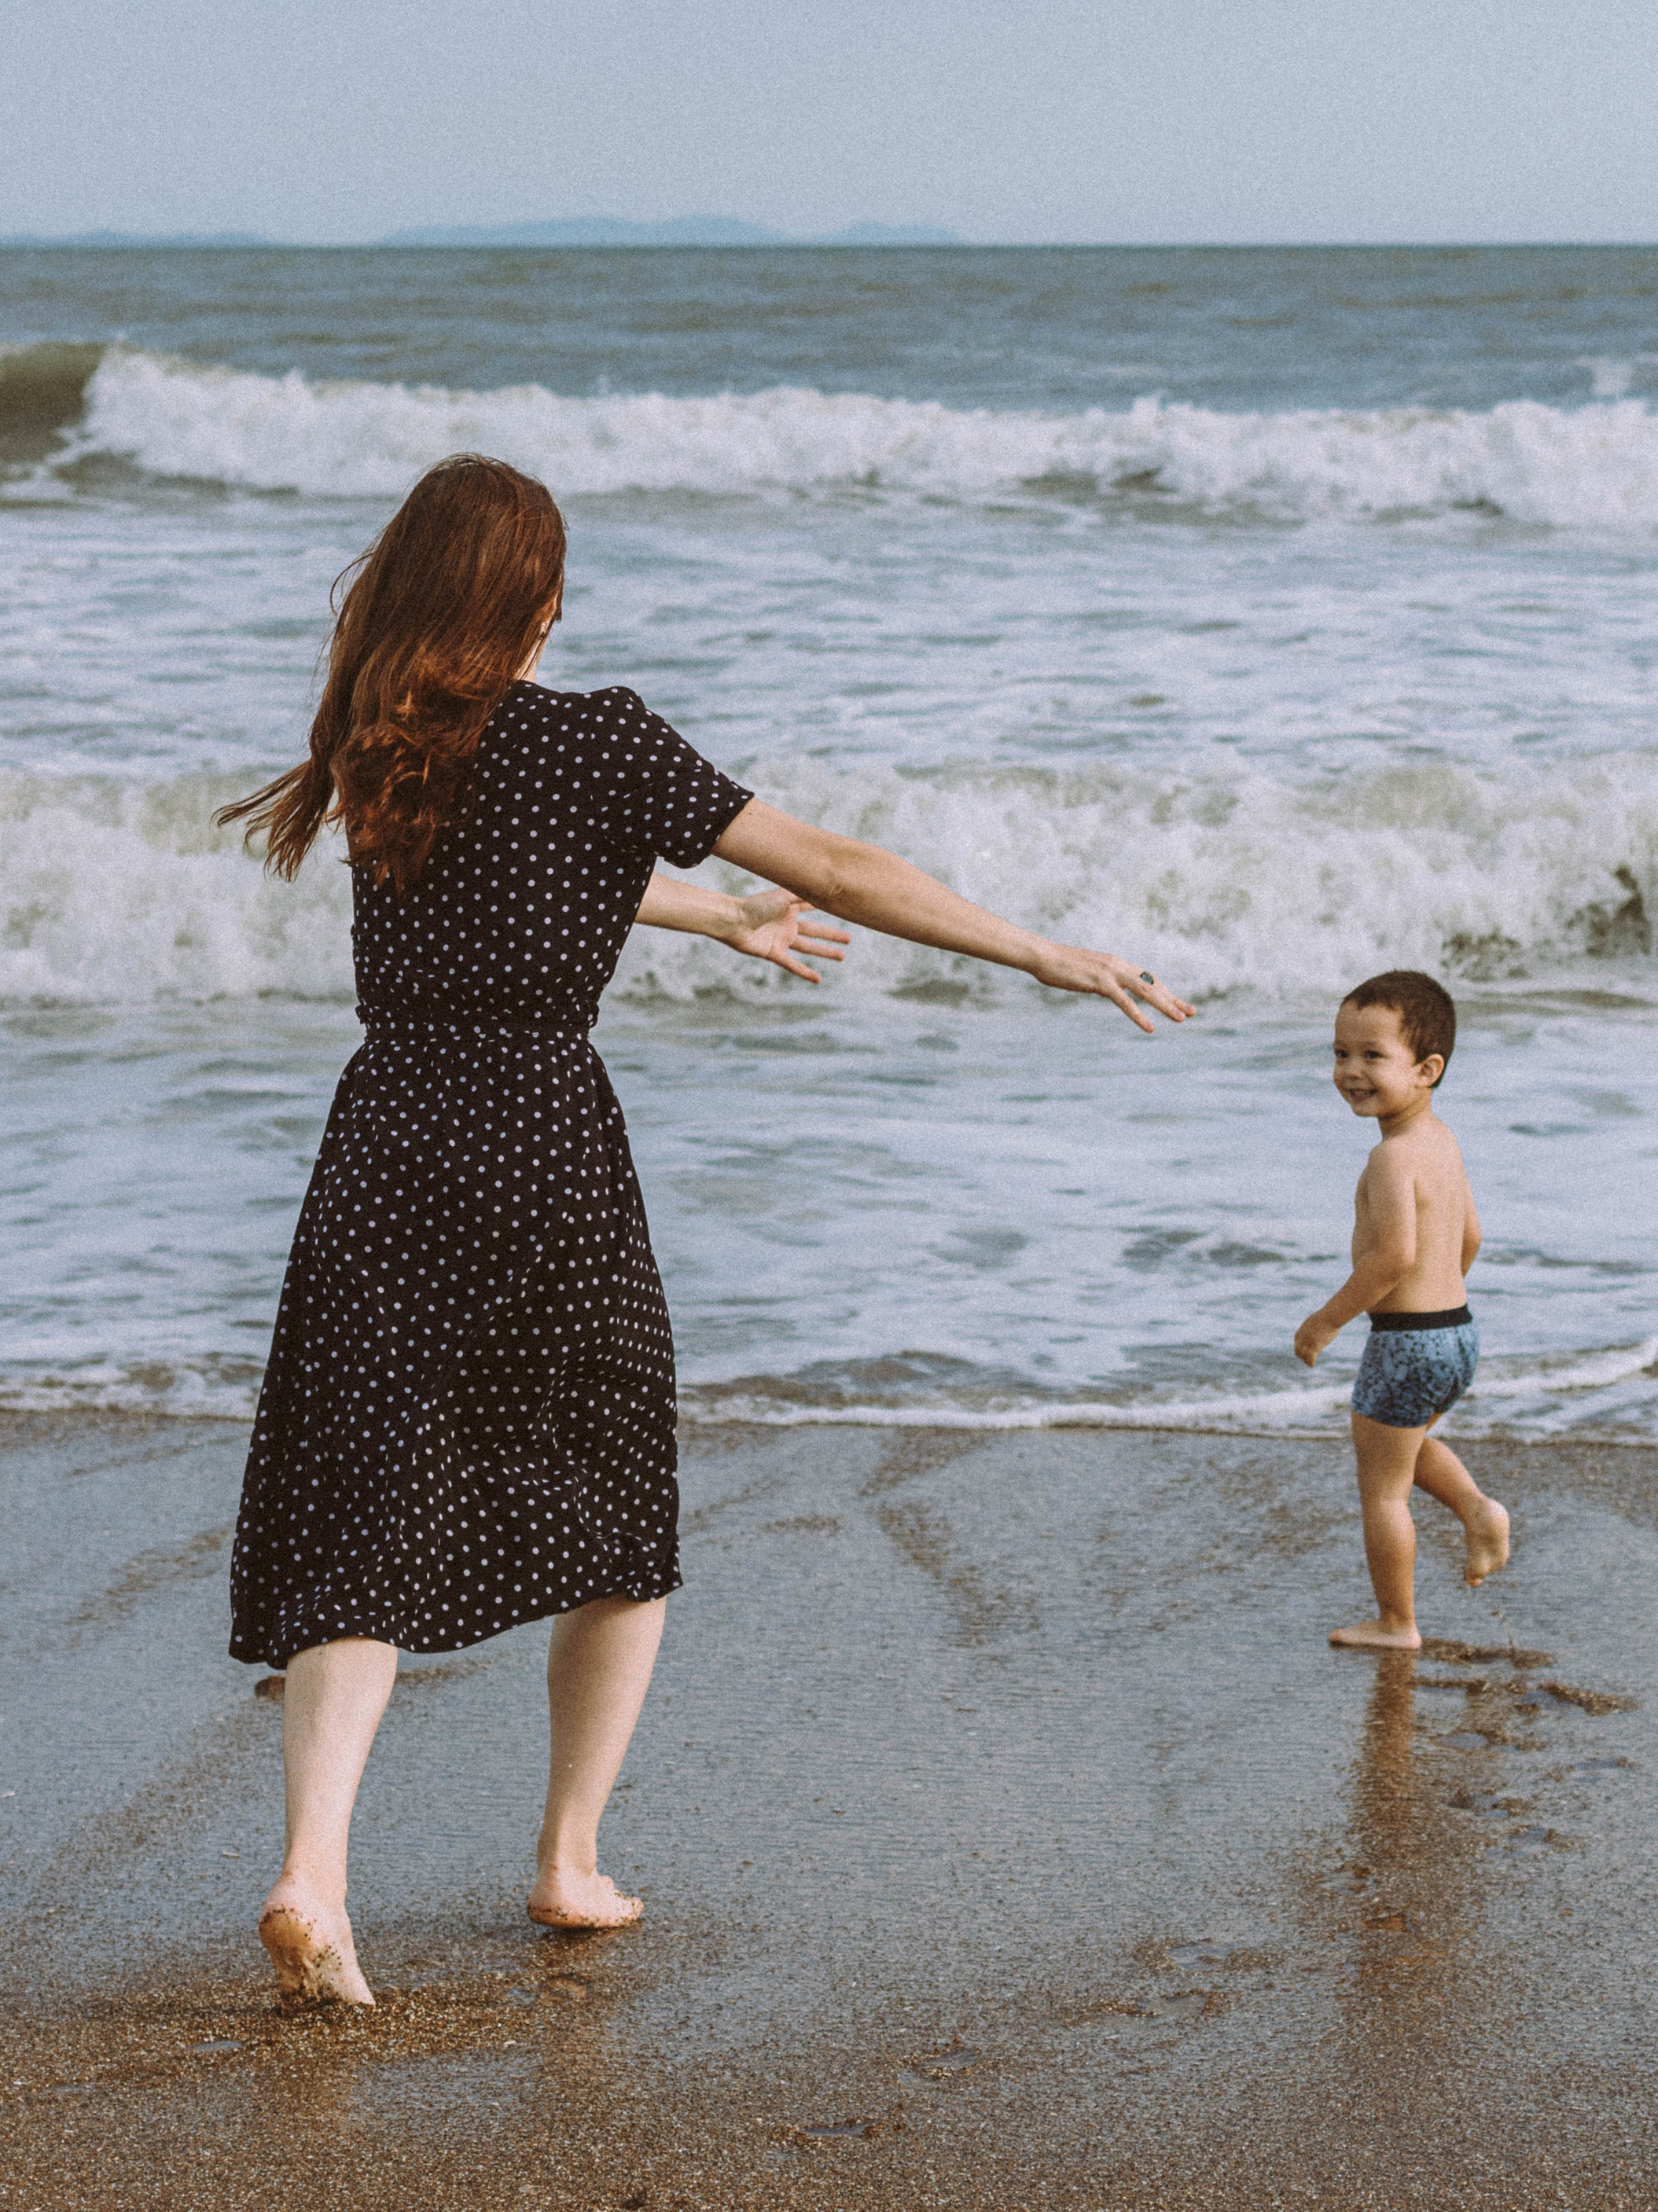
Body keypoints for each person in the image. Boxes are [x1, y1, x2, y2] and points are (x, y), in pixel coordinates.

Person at [217, 454, 1191, 2012]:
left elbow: (521, 880)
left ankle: (312, 1873)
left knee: (369, 1507)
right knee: (618, 1494)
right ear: (533, 606)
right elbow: (843, 870)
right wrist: (1030, 950)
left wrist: (700, 916)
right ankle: (567, 1857)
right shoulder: (601, 737)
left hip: (387, 1134)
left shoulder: (378, 746)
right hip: (539, 1140)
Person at [1291, 971, 1510, 1651]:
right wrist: (1444, 1302)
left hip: (1407, 1341)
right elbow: (1470, 1234)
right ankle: (1475, 1509)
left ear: (1427, 1069)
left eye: (1372, 1056)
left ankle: (1396, 1623)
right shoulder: (1441, 1142)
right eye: (1339, 1053)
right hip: (1457, 1333)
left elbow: (1391, 1259)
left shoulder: (1392, 1158)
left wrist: (1326, 1320)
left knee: (1382, 1489)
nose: (1351, 1071)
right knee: (1403, 1449)